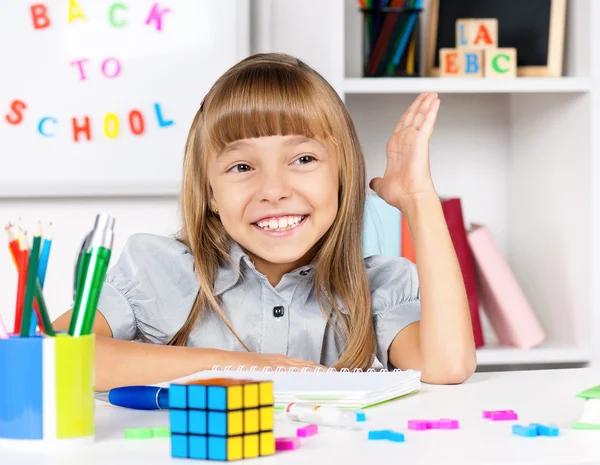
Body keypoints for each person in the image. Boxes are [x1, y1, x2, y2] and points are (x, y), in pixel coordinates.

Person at [54, 53, 476, 390]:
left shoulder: (380, 286)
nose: (273, 189)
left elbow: (448, 365)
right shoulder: (156, 270)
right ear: (211, 194)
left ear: (342, 175)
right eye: (241, 167)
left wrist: (418, 200)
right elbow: (54, 356)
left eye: (304, 159)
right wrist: (244, 368)